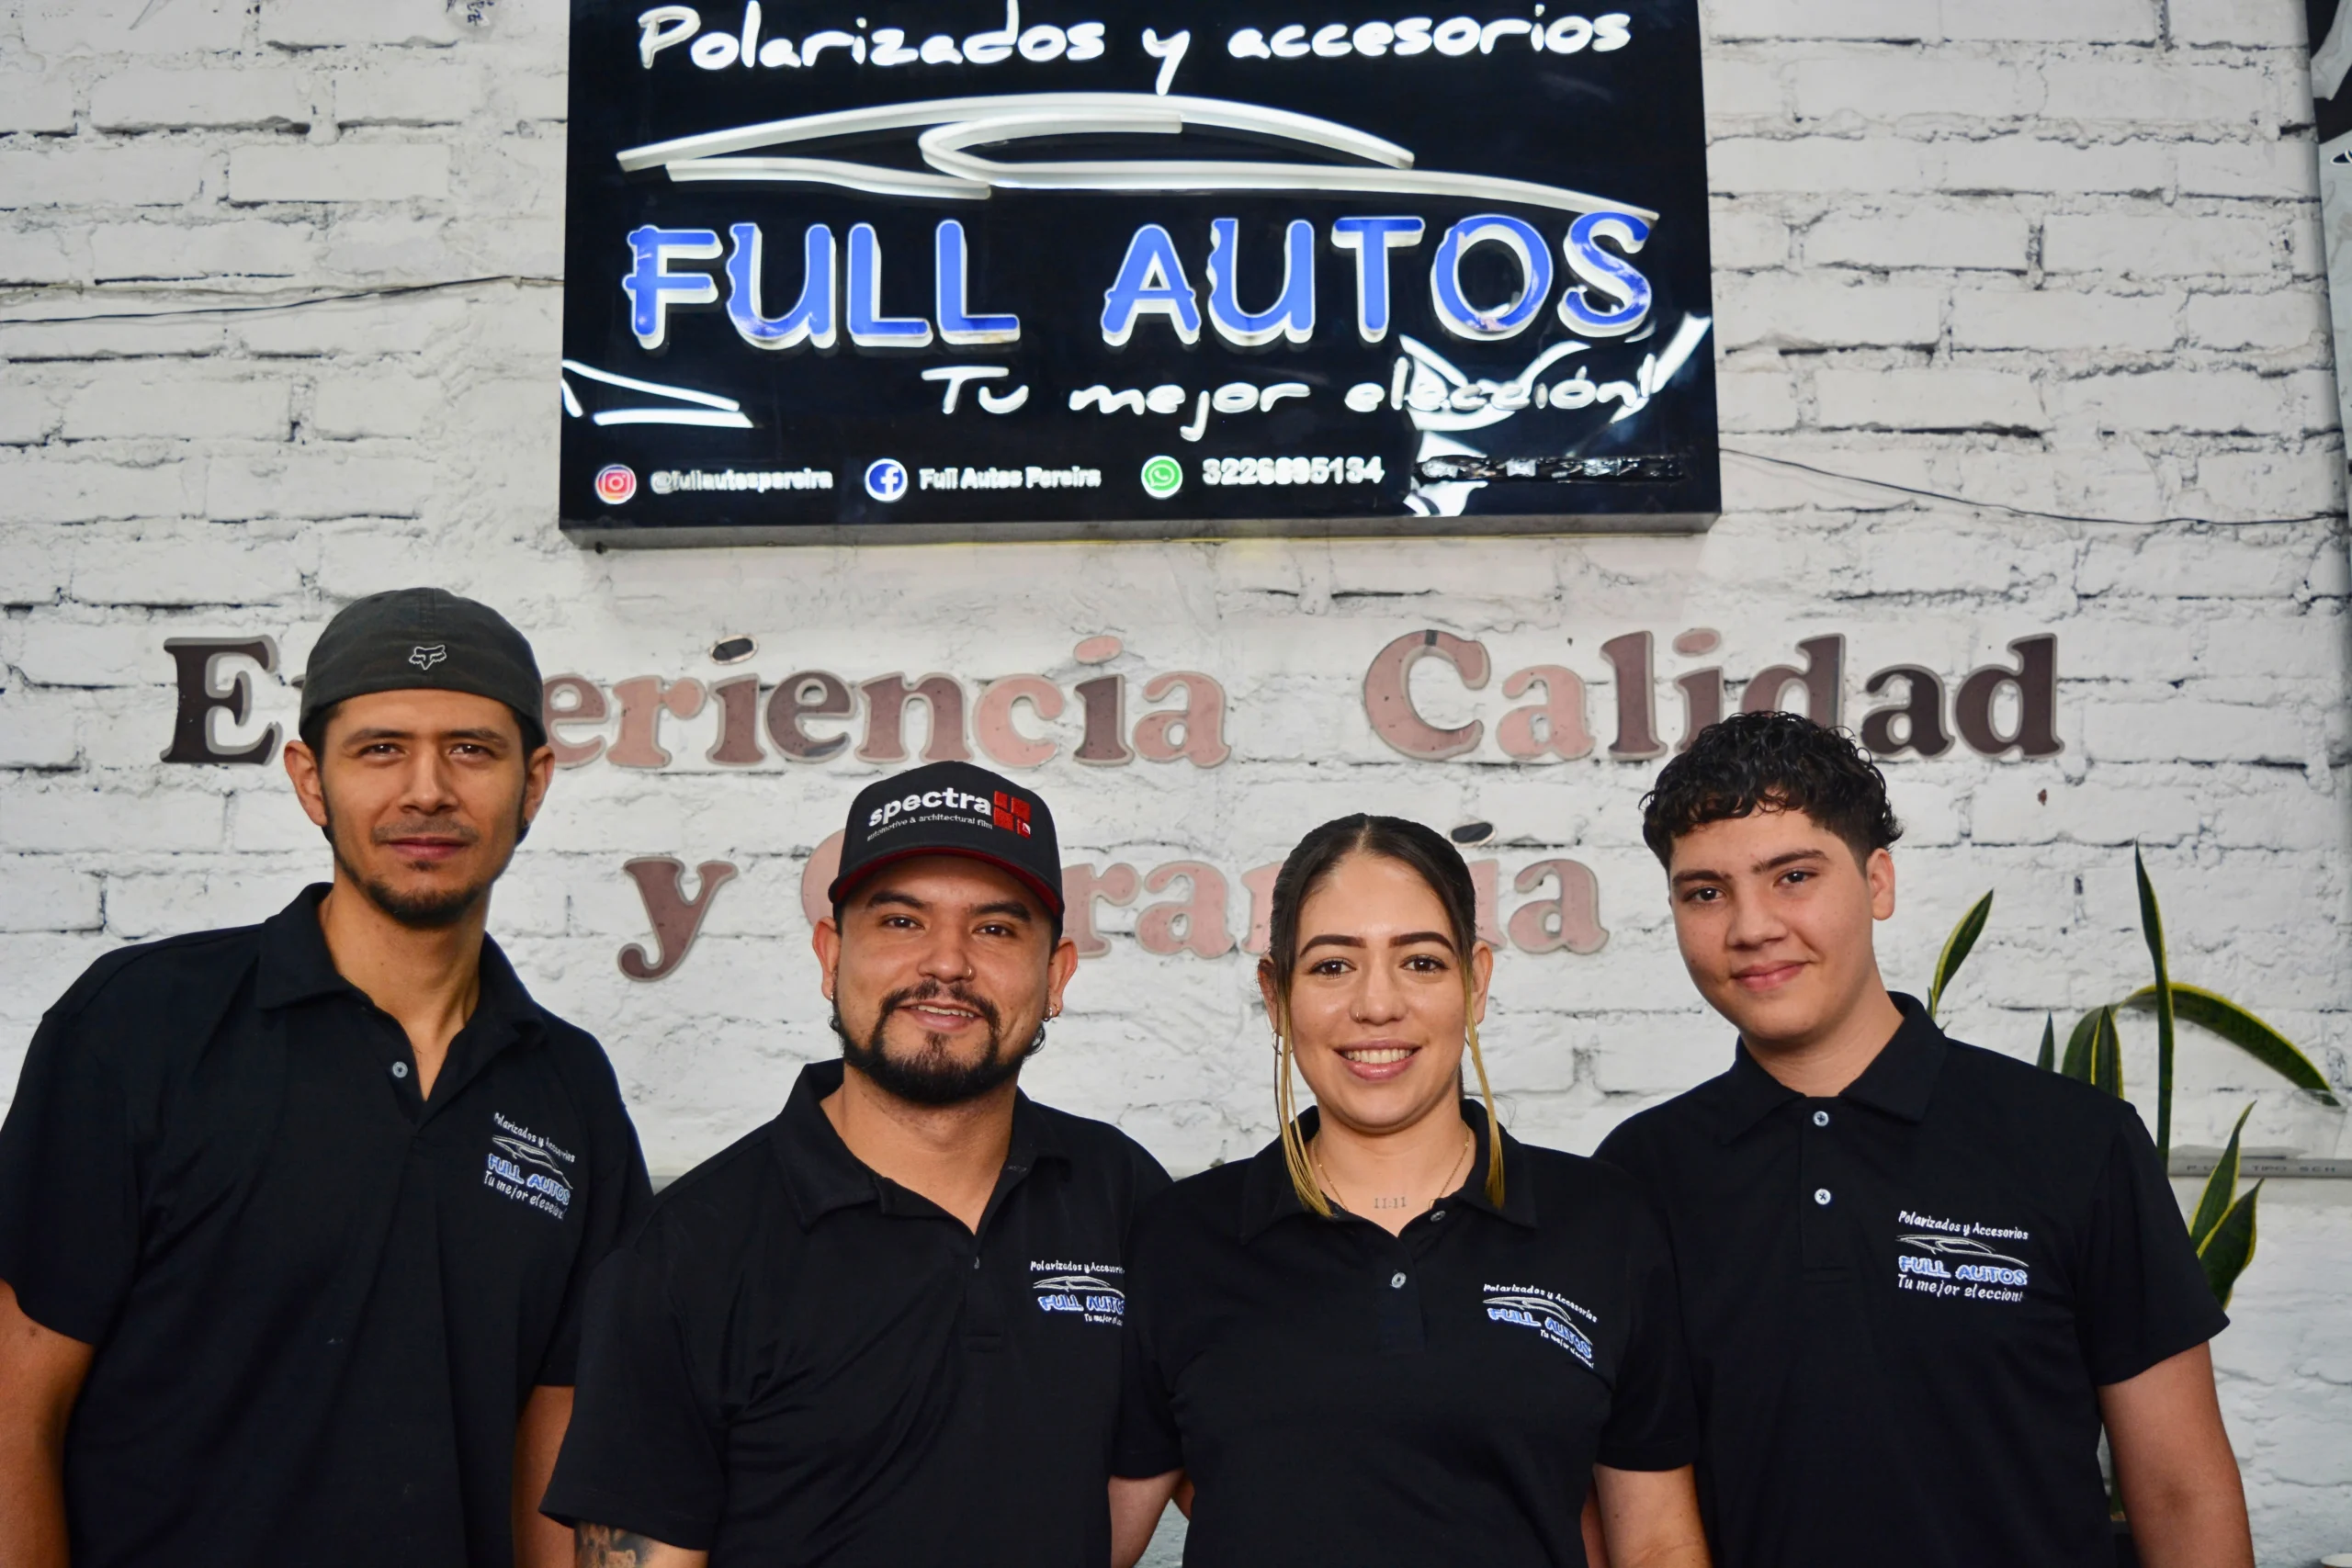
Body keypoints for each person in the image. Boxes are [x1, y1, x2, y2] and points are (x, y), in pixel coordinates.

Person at [0, 587, 650, 1568]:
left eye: (471, 750)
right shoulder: (141, 1026)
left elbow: (560, 1446)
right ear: (311, 780)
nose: (427, 791)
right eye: (380, 749)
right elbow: (16, 1408)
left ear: (534, 782)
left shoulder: (569, 1088)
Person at [1594, 712, 2254, 1568]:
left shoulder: (2075, 1141)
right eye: (1705, 892)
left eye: (1793, 876)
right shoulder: (1639, 1174)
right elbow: (1646, 1522)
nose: (1751, 926)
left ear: (1878, 882)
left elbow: (2180, 1489)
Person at [542, 761, 1170, 1567]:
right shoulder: (687, 1249)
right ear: (831, 955)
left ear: (1056, 976)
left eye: (995, 929)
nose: (946, 962)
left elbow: (1140, 1481)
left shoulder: (1122, 1195)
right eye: (902, 921)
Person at [1110, 815, 1710, 1568]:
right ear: (1276, 993)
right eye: (1332, 965)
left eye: (1421, 961)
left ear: (1475, 981)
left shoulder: (1602, 1221)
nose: (1377, 1004)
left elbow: (1656, 1543)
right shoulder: (1181, 1236)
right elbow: (1093, 1534)